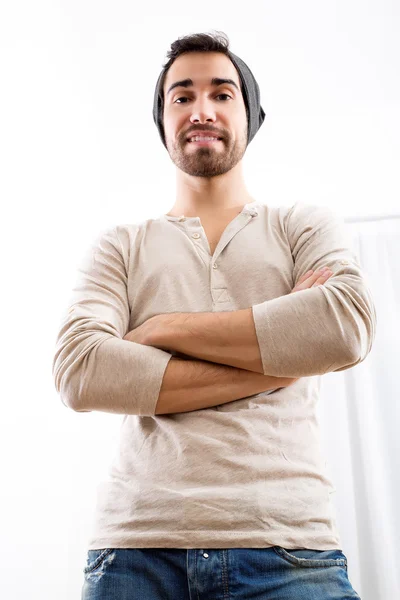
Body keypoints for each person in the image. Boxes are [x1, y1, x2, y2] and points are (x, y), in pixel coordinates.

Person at [52, 30, 375, 599]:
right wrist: (278, 361)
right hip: (137, 551)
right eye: (182, 96)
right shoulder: (119, 246)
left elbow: (343, 326)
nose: (201, 109)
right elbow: (81, 370)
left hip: (290, 550)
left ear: (250, 116)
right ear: (162, 120)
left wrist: (161, 330)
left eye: (222, 94)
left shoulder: (302, 226)